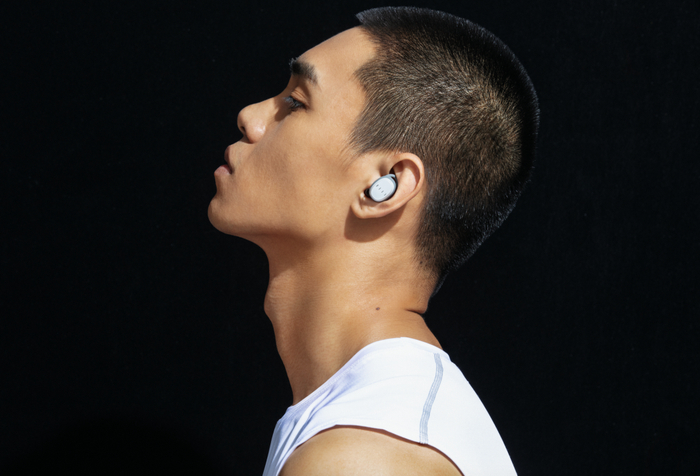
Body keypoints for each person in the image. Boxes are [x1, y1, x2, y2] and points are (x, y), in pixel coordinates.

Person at [208, 6, 538, 476]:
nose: (251, 117)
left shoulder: (360, 457)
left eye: (296, 102)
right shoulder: (381, 426)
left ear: (385, 186)